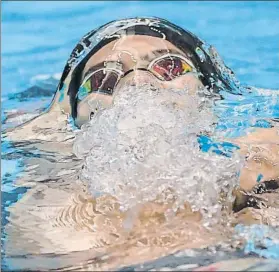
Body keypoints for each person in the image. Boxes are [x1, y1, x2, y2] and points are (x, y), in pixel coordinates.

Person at [4, 17, 278, 270]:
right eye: (103, 80)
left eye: (169, 67)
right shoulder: (49, 201)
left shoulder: (257, 155)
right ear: (75, 117)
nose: (137, 81)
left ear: (211, 95)